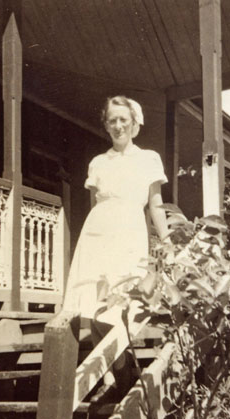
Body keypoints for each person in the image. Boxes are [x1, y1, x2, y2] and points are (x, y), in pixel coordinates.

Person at [63, 95, 169, 402]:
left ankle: (118, 373)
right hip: (98, 232)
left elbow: (156, 205)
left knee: (124, 300)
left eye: (124, 119)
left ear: (135, 124)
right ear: (106, 125)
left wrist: (167, 240)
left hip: (130, 230)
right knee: (96, 303)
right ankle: (107, 376)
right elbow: (96, 204)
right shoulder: (98, 162)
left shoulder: (149, 158)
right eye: (113, 120)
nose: (118, 125)